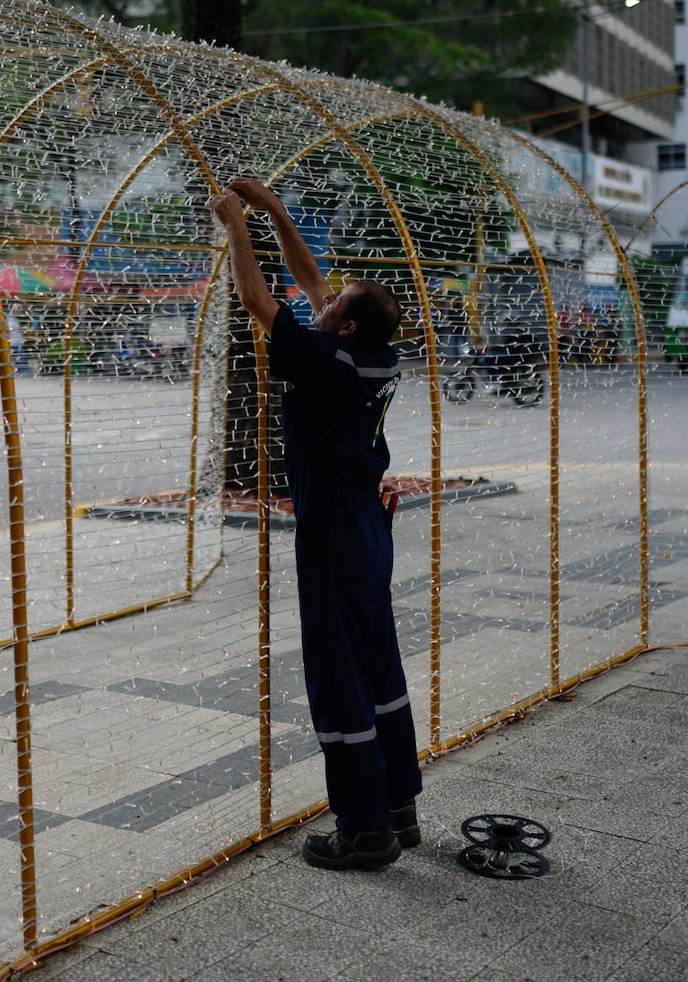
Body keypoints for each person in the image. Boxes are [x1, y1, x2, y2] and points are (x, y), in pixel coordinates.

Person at [212, 177, 422, 871]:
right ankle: (398, 805)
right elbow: (310, 282)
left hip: (332, 528)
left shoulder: (325, 360)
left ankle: (364, 830)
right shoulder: (375, 357)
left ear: (346, 324)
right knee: (377, 661)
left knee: (337, 673)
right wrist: (274, 211)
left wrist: (234, 226)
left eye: (333, 304)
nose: (322, 300)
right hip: (369, 527)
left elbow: (256, 299)